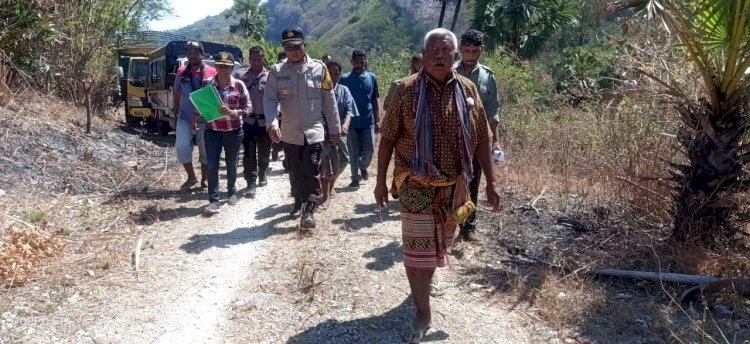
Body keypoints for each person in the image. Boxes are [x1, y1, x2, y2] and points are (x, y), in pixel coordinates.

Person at [374, 28, 500, 343]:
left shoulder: (469, 91)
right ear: (425, 54)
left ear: (455, 55)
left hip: (454, 188)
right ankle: (422, 311)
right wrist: (379, 182)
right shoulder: (405, 91)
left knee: (439, 246)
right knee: (418, 251)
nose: (440, 55)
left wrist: (491, 184)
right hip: (414, 183)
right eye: (434, 49)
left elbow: (483, 137)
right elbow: (387, 138)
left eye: (446, 49)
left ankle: (422, 288)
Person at [264, 26, 340, 229]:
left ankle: (309, 211)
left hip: (314, 131)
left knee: (312, 169)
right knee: (295, 171)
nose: (294, 51)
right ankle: (298, 201)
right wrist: (272, 123)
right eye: (289, 48)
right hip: (290, 132)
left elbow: (329, 100)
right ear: (284, 49)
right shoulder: (277, 71)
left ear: (304, 46)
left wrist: (335, 128)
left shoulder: (320, 69)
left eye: (297, 47)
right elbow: (270, 100)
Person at [454, 29, 502, 242]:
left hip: (476, 142)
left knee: (472, 183)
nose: (470, 55)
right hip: (450, 140)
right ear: (460, 49)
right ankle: (448, 224)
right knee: (449, 182)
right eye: (466, 50)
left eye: (475, 51)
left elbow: (493, 111)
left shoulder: (487, 76)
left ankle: (468, 227)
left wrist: (496, 140)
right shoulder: (449, 70)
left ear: (481, 50)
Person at [202, 52, 251, 215]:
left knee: (231, 163)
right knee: (212, 165)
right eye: (220, 66)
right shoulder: (207, 84)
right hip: (212, 131)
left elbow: (248, 108)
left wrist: (233, 112)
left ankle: (231, 192)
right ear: (215, 67)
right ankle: (214, 200)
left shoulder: (239, 85)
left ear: (231, 68)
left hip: (233, 131)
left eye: (226, 67)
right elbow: (201, 106)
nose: (222, 70)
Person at [173, 41, 217, 190]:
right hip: (184, 117)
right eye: (189, 52)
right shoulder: (181, 72)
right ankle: (191, 177)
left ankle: (204, 179)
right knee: (181, 146)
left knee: (205, 149)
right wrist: (175, 111)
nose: (192, 54)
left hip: (205, 119)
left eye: (195, 52)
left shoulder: (212, 72)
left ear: (202, 54)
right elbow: (177, 92)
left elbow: (214, 96)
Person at [318, 60, 358, 206]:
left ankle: (331, 184)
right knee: (323, 163)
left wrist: (345, 126)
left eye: (336, 73)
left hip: (339, 133)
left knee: (343, 160)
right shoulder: (318, 91)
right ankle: (325, 195)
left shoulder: (344, 90)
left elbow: (349, 110)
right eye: (330, 73)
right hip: (322, 133)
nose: (333, 76)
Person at [339, 50, 380, 188]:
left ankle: (363, 166)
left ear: (365, 62)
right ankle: (355, 178)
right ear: (352, 62)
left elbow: (375, 99)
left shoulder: (372, 78)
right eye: (357, 62)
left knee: (370, 149)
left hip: (368, 121)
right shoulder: (344, 79)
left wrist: (377, 118)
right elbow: (341, 101)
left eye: (362, 62)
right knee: (353, 151)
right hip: (351, 122)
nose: (360, 64)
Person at [240, 46, 271, 198]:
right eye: (253, 59)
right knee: (248, 153)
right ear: (249, 59)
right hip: (248, 120)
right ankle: (250, 183)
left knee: (265, 150)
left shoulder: (271, 76)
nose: (256, 62)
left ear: (263, 59)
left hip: (265, 120)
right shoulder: (241, 76)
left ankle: (263, 172)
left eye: (259, 59)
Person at [272, 52, 287, 162]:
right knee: (279, 136)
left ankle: (287, 162)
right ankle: (275, 151)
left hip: (289, 114)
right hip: (278, 114)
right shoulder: (274, 74)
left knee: (288, 139)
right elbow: (272, 97)